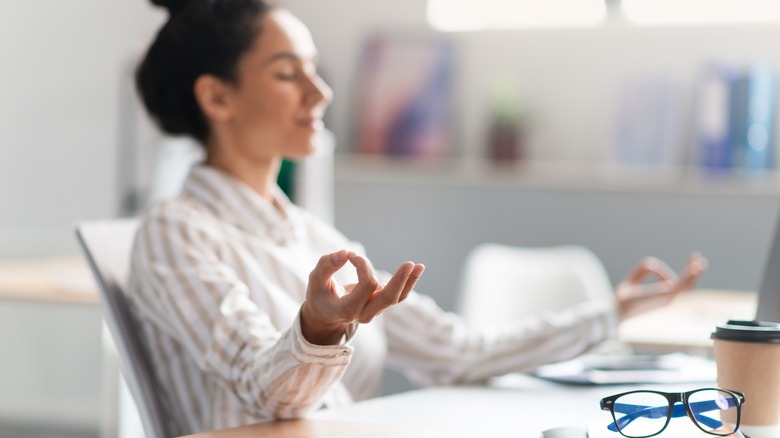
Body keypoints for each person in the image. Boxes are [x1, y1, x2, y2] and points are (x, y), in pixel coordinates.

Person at [128, 0, 708, 435]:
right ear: (217, 98)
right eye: (287, 74)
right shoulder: (175, 232)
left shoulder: (313, 237)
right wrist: (319, 329)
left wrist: (610, 311)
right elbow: (266, 390)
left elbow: (458, 351)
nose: (321, 91)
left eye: (315, 68)